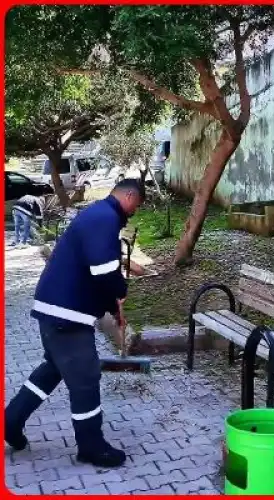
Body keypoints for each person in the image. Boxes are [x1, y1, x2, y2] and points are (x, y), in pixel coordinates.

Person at [4, 179, 144, 467]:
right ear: (128, 196)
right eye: (136, 205)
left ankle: (10, 420)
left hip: (55, 310)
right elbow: (104, 270)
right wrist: (120, 292)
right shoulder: (105, 218)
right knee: (85, 380)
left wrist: (111, 306)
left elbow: (95, 269)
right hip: (66, 315)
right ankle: (91, 446)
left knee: (53, 370)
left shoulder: (98, 215)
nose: (135, 212)